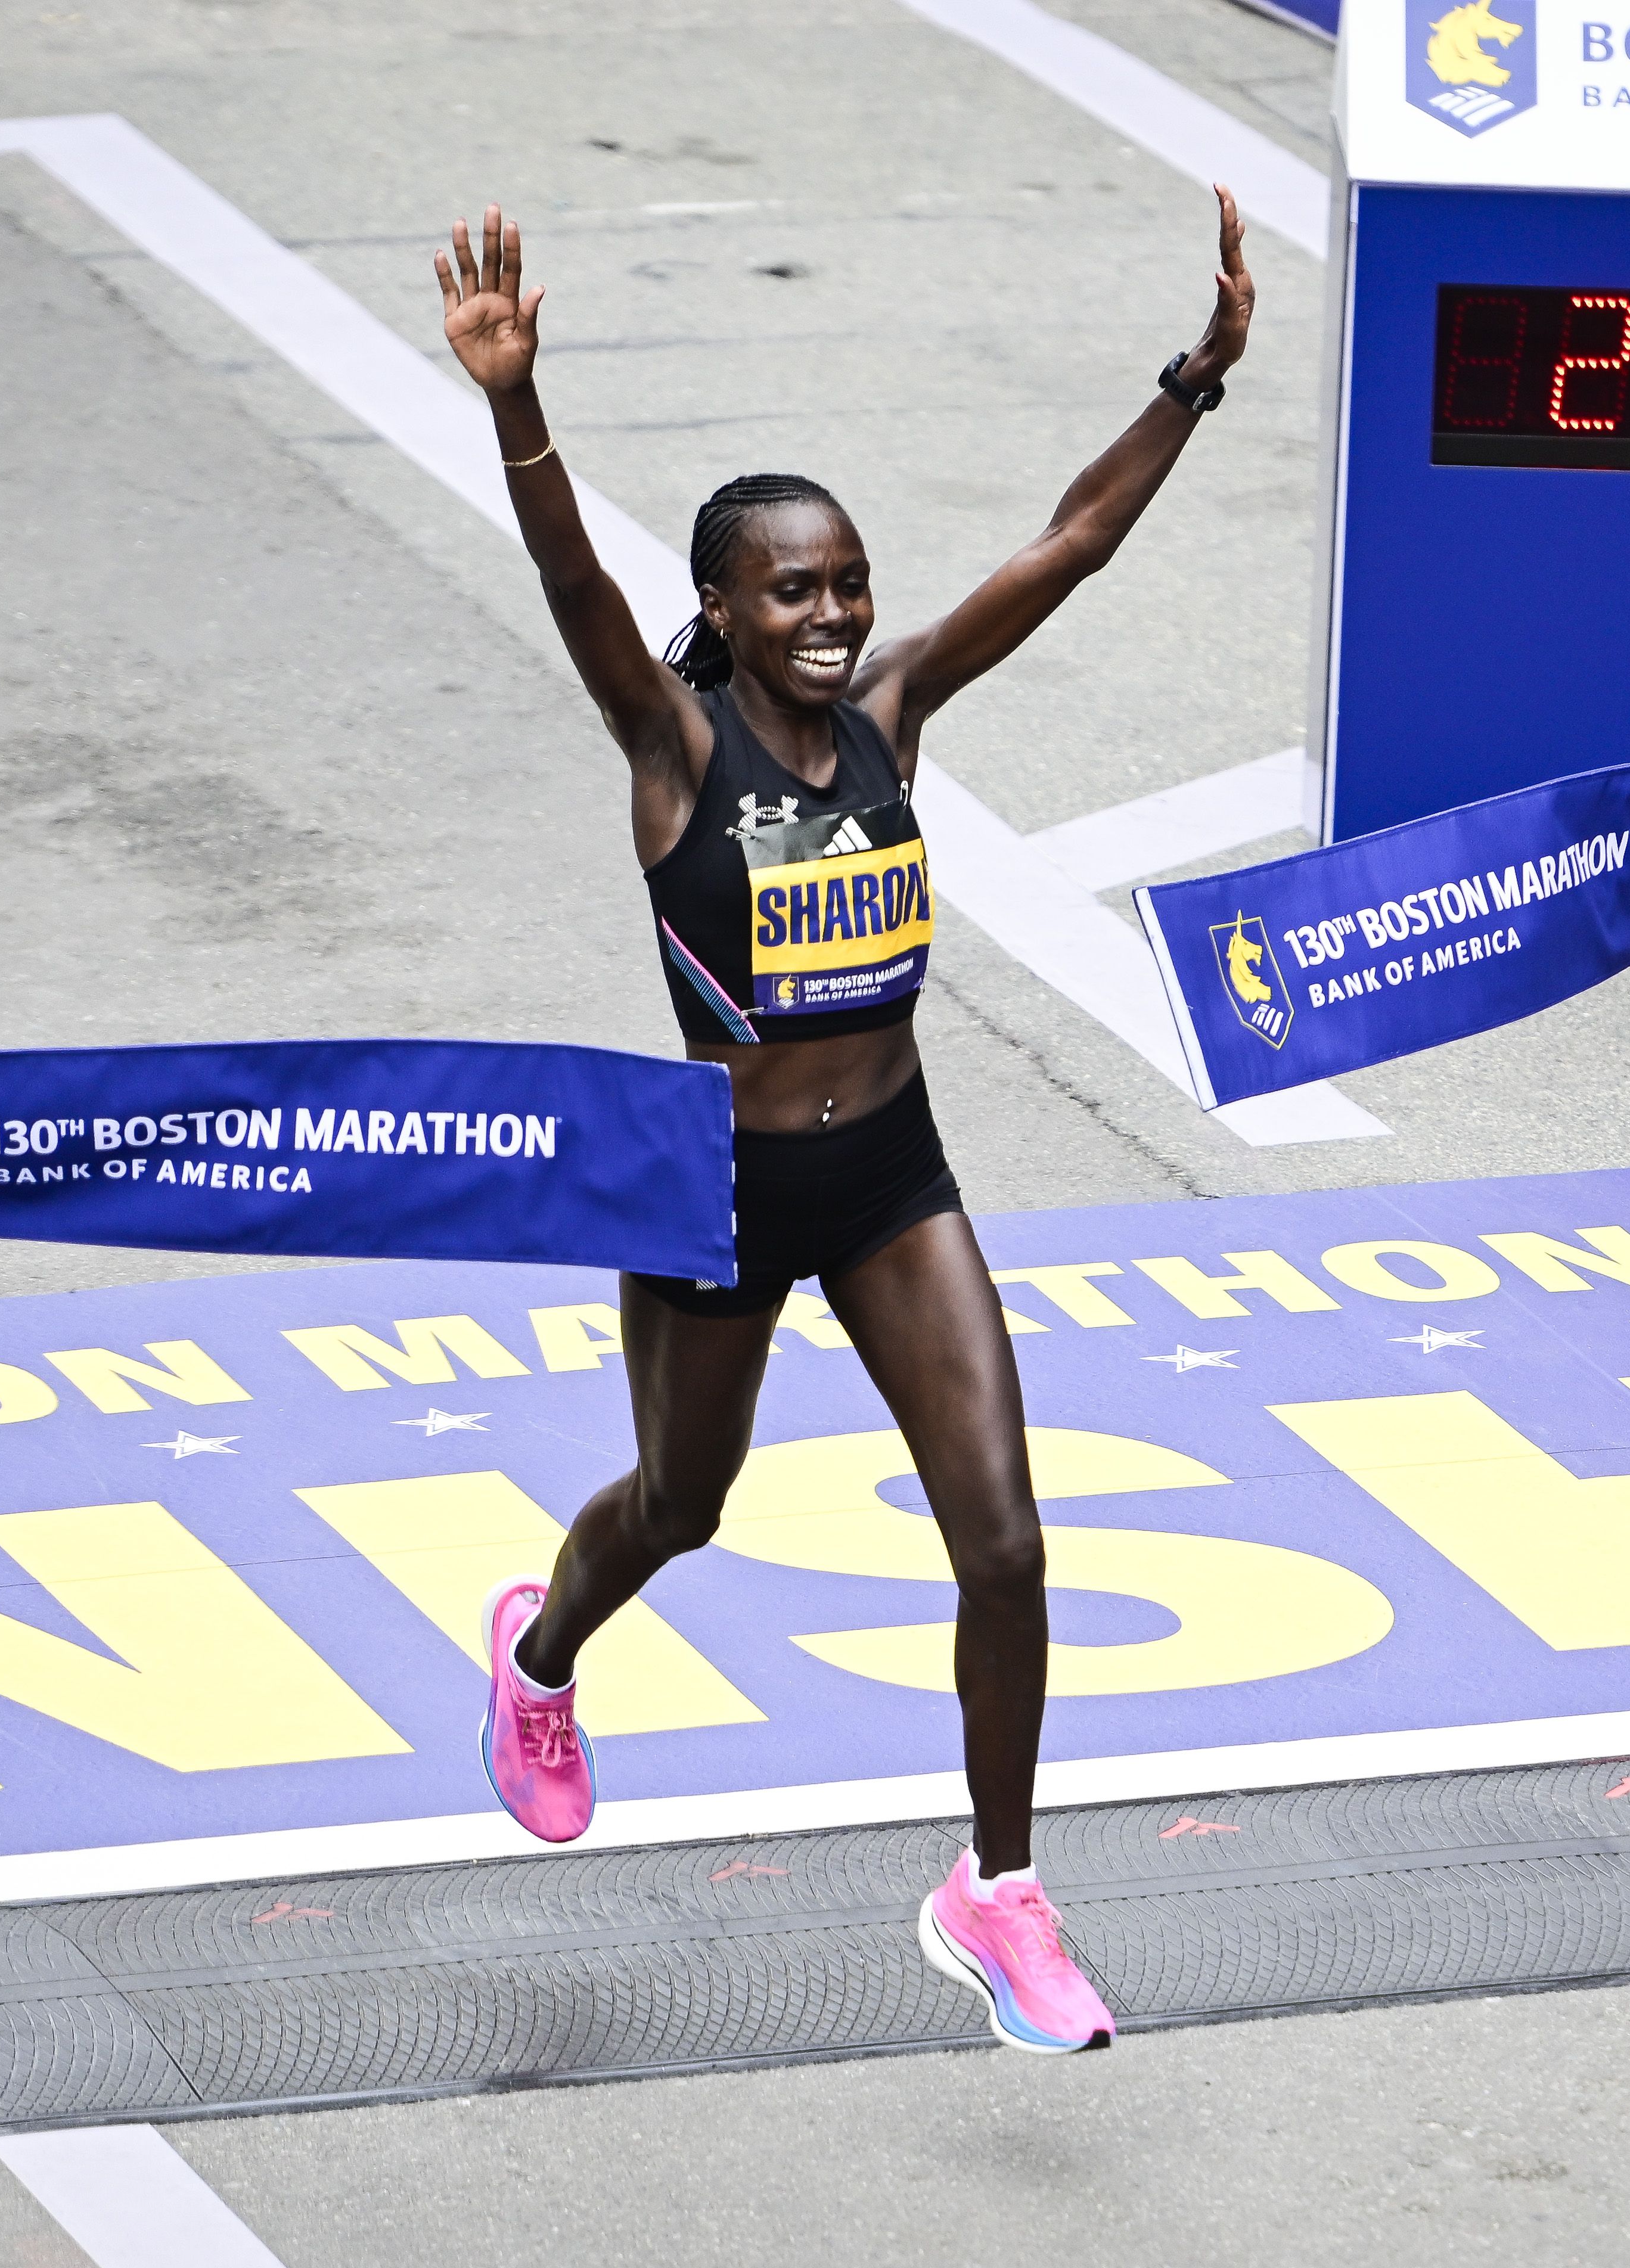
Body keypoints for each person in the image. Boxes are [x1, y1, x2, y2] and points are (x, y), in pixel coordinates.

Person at [427, 189, 1259, 2047]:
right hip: (711, 1191)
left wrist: (1190, 385)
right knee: (679, 1505)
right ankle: (540, 1651)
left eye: (849, 581)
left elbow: (1073, 542)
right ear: (722, 610)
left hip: (890, 1171)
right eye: (793, 589)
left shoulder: (894, 708)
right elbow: (572, 585)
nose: (833, 613)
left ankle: (1002, 1889)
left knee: (1010, 1540)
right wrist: (517, 404)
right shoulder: (675, 750)